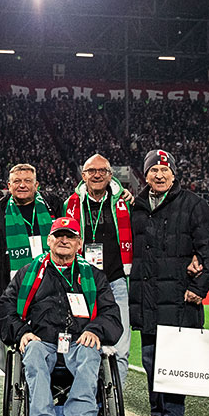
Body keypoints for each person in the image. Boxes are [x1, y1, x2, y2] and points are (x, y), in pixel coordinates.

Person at [0, 217, 123, 416]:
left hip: (78, 340)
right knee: (33, 351)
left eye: (70, 236)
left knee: (90, 352)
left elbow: (111, 314)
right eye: (59, 235)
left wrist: (95, 330)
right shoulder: (29, 273)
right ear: (49, 240)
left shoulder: (94, 276)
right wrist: (22, 333)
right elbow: (6, 308)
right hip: (42, 340)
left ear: (79, 243)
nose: (64, 240)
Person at [128, 149, 209, 416]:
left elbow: (208, 250)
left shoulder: (193, 204)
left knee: (176, 358)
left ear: (174, 174)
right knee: (149, 358)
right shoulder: (136, 206)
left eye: (165, 170)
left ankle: (174, 414)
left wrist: (198, 288)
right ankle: (156, 412)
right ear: (146, 174)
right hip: (147, 295)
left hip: (179, 295)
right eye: (154, 170)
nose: (160, 174)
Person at [64, 153, 134, 387]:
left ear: (110, 175)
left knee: (120, 345)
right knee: (80, 343)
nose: (96, 175)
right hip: (83, 284)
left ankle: (114, 405)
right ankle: (85, 403)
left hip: (116, 282)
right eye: (91, 171)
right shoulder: (71, 204)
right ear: (83, 176)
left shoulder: (124, 202)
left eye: (102, 171)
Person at [0, 163, 62, 321]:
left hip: (53, 290)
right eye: (17, 181)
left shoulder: (53, 205)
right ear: (9, 185)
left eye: (27, 180)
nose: (22, 185)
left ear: (36, 185)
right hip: (14, 292)